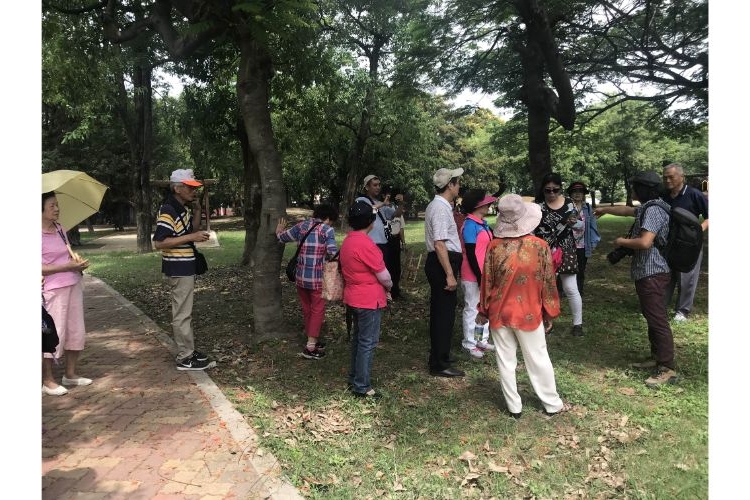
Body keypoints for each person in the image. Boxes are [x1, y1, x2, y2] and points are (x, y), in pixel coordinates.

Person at [475, 194, 571, 418]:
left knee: (505, 360)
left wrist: (483, 310)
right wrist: (549, 313)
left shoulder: (494, 247)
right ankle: (552, 404)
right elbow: (548, 283)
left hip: (499, 311)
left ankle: (514, 408)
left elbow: (486, 281)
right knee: (538, 357)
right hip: (529, 312)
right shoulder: (539, 246)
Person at [594, 171, 678, 387]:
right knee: (652, 316)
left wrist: (621, 241)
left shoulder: (653, 210)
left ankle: (666, 367)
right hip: (648, 272)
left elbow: (644, 242)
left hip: (653, 272)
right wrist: (604, 209)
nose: (631, 190)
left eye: (634, 187)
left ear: (644, 189)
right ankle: (657, 357)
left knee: (657, 319)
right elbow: (626, 210)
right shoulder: (651, 206)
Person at [153, 169, 213, 371]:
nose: (194, 191)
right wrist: (191, 238)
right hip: (178, 267)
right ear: (177, 188)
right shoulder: (168, 210)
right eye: (190, 187)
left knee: (185, 312)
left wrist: (197, 211)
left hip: (185, 265)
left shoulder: (181, 208)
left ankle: (188, 350)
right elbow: (159, 242)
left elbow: (190, 230)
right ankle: (185, 357)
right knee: (182, 313)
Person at [42, 191, 93, 396]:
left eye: (57, 205)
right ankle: (48, 380)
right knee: (53, 334)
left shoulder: (60, 228)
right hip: (52, 290)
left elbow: (68, 255)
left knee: (75, 330)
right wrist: (66, 267)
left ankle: (70, 374)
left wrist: (76, 262)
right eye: (52, 205)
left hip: (73, 284)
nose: (57, 209)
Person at [340, 200, 392, 398]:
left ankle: (354, 377)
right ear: (371, 221)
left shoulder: (348, 241)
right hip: (368, 299)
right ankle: (362, 385)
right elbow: (384, 276)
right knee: (367, 342)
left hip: (353, 296)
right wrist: (390, 287)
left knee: (358, 339)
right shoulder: (366, 244)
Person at [276, 204, 339, 359]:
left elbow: (282, 238)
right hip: (317, 279)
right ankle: (310, 347)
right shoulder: (327, 230)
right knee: (318, 310)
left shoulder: (301, 226)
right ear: (328, 218)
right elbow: (333, 253)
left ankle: (312, 339)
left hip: (300, 277)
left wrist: (279, 230)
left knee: (307, 309)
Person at [424, 167, 465, 377]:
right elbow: (439, 243)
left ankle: (442, 355)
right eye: (458, 182)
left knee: (445, 313)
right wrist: (449, 273)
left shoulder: (441, 206)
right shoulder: (440, 208)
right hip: (442, 263)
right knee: (443, 314)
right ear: (450, 184)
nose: (460, 186)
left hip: (444, 261)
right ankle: (439, 364)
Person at [533, 173, 584, 337]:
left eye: (555, 190)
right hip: (543, 250)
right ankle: (545, 321)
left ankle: (577, 324)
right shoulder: (537, 206)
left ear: (560, 189)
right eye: (547, 190)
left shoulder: (569, 204)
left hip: (566, 249)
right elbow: (531, 227)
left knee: (570, 287)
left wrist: (575, 223)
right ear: (542, 190)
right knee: (543, 288)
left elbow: (580, 225)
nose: (552, 193)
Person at [661, 163, 709, 322]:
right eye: (665, 177)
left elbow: (709, 216)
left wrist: (697, 232)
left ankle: (682, 311)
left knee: (687, 277)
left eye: (671, 177)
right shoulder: (664, 196)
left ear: (682, 177)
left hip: (689, 245)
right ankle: (661, 306)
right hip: (668, 243)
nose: (667, 180)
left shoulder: (694, 194)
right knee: (666, 275)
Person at [458, 189, 497, 359]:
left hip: (484, 274)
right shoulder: (469, 225)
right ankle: (469, 343)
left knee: (483, 307)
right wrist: (479, 276)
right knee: (472, 307)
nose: (489, 205)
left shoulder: (482, 224)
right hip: (472, 274)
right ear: (477, 205)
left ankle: (480, 339)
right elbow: (471, 253)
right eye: (486, 203)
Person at [355, 175, 404, 275]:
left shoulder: (380, 203)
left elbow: (396, 214)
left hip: (383, 244)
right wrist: (383, 204)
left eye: (379, 185)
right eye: (375, 185)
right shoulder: (361, 200)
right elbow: (367, 211)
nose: (378, 187)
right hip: (370, 244)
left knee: (383, 272)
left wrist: (401, 203)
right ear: (367, 187)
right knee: (372, 274)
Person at [567, 181, 601, 296]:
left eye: (580, 192)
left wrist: (593, 242)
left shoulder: (588, 208)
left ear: (583, 194)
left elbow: (592, 225)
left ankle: (579, 290)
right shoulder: (567, 207)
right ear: (570, 194)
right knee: (567, 267)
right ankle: (565, 290)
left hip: (583, 244)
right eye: (574, 191)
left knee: (581, 269)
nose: (577, 194)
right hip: (568, 243)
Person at [385, 196, 406, 300]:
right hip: (386, 240)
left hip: (396, 240)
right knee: (387, 267)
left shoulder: (398, 211)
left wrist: (403, 242)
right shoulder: (382, 210)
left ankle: (395, 291)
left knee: (396, 267)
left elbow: (401, 228)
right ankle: (386, 292)